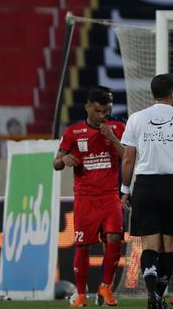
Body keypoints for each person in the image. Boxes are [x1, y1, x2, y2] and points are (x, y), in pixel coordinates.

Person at [119, 74, 173, 309]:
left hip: (145, 185)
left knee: (149, 246)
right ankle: (158, 297)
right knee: (168, 247)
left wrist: (125, 189)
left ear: (152, 94)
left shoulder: (136, 119)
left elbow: (127, 158)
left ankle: (153, 296)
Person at [56, 87, 124, 308]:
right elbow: (55, 163)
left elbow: (129, 156)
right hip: (85, 199)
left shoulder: (117, 128)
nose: (103, 115)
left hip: (111, 195)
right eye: (98, 111)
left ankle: (105, 287)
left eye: (107, 110)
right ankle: (82, 294)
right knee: (83, 246)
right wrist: (64, 160)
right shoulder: (73, 132)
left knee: (114, 238)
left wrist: (112, 138)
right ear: (87, 107)